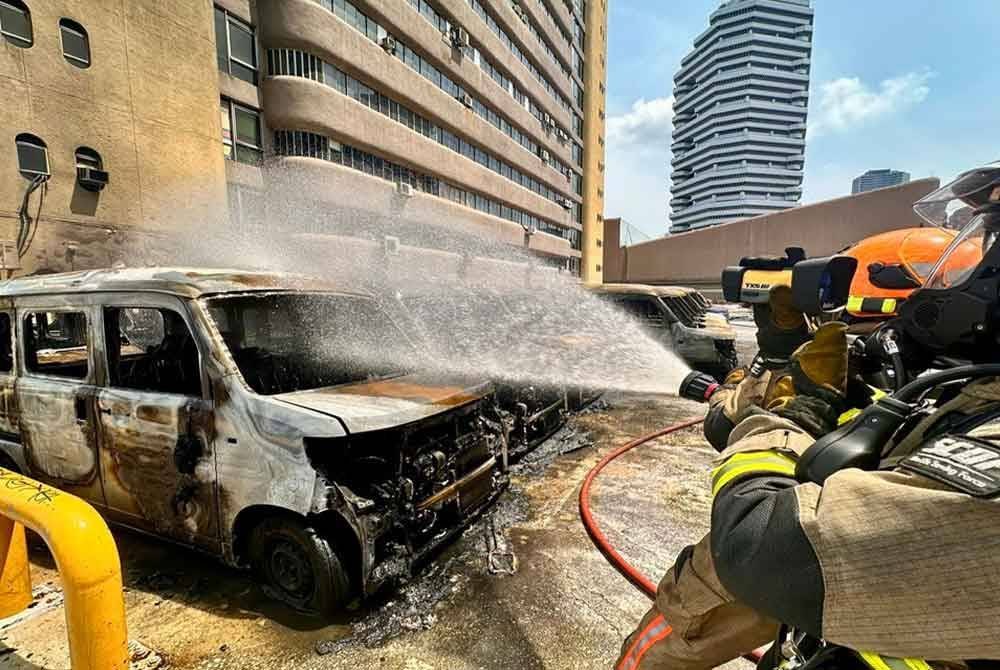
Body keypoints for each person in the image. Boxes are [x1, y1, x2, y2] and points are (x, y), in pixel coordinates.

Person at [616, 163, 1000, 670]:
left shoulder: (953, 403)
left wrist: (800, 410)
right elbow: (726, 424)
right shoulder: (940, 387)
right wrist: (778, 360)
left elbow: (760, 546)